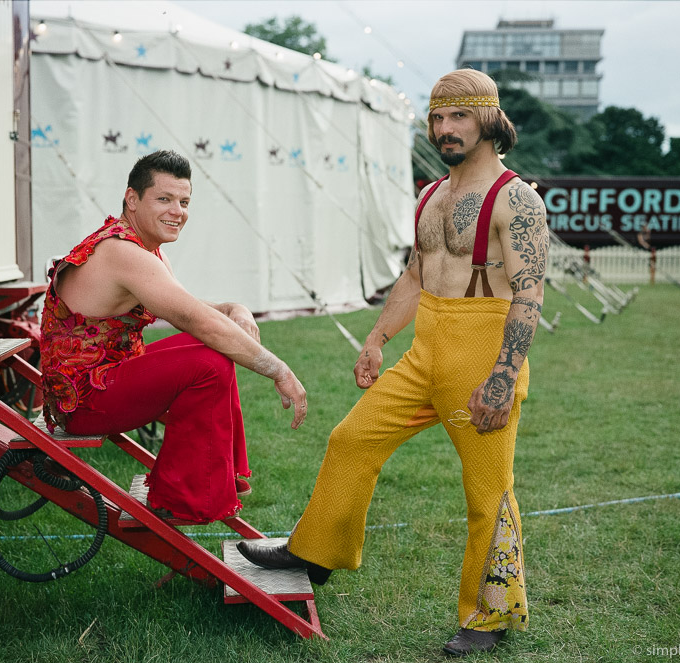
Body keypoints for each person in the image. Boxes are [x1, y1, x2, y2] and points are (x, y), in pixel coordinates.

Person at [237, 69, 548, 656]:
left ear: (488, 119)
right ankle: (315, 553)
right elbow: (414, 275)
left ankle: (489, 616)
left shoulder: (518, 200)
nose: (444, 129)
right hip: (424, 348)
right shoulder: (431, 196)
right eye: (436, 117)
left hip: (481, 356)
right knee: (352, 439)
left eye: (458, 116)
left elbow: (529, 295)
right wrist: (378, 337)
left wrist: (503, 378)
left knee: (488, 492)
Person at [40, 150, 307, 524]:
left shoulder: (141, 247)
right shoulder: (125, 253)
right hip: (82, 402)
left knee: (209, 350)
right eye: (164, 199)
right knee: (209, 360)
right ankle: (179, 499)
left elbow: (188, 305)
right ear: (132, 199)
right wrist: (279, 370)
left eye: (184, 202)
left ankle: (218, 473)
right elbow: (198, 321)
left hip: (99, 382)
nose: (177, 211)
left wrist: (234, 307)